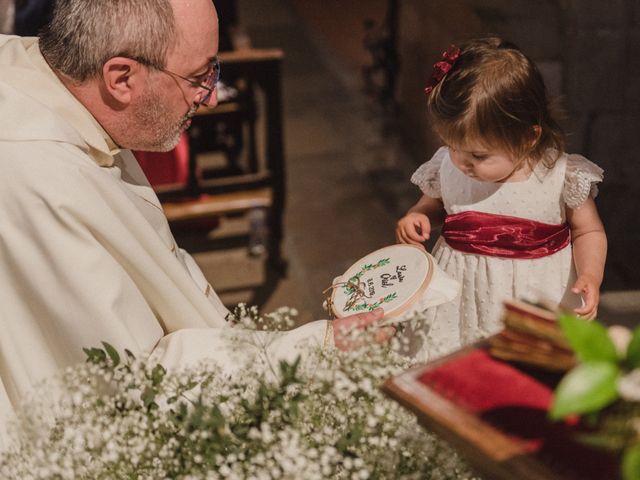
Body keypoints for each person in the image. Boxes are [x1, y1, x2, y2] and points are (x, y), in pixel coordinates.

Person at [0, 0, 458, 444]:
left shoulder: (33, 71)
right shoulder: (41, 182)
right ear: (120, 77)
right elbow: (132, 378)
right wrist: (320, 350)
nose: (213, 97)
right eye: (199, 76)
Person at [396, 37, 607, 361]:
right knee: (455, 364)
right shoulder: (447, 166)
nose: (463, 162)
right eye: (453, 146)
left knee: (527, 373)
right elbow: (434, 203)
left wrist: (590, 274)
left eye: (479, 155)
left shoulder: (559, 175)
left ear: (527, 137)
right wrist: (419, 215)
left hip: (535, 297)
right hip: (460, 296)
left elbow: (587, 231)